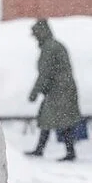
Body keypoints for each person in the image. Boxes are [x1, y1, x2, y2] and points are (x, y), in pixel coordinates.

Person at [25, 19, 82, 162]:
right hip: (61, 89)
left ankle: (62, 151)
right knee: (55, 119)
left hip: (59, 91)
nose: (36, 38)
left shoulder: (49, 48)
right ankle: (62, 150)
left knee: (55, 119)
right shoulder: (54, 45)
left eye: (36, 34)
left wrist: (35, 92)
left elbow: (45, 73)